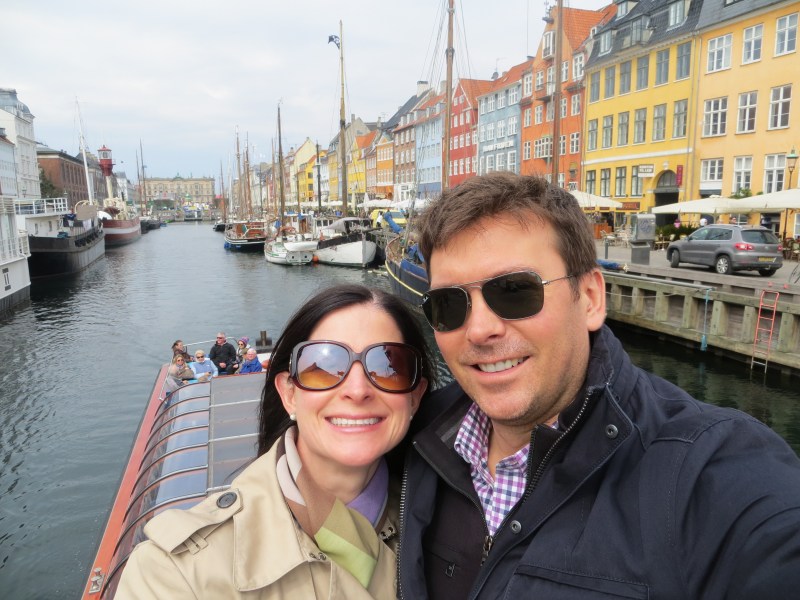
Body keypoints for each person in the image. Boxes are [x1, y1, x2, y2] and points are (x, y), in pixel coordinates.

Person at [398, 172, 800, 599]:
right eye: (448, 304)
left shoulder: (707, 470)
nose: (479, 330)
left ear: (590, 298)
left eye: (514, 291)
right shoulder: (418, 433)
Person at [117, 285, 433, 598]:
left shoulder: (447, 523)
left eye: (388, 366)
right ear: (289, 394)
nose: (357, 390)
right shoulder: (174, 573)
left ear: (415, 398)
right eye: (323, 368)